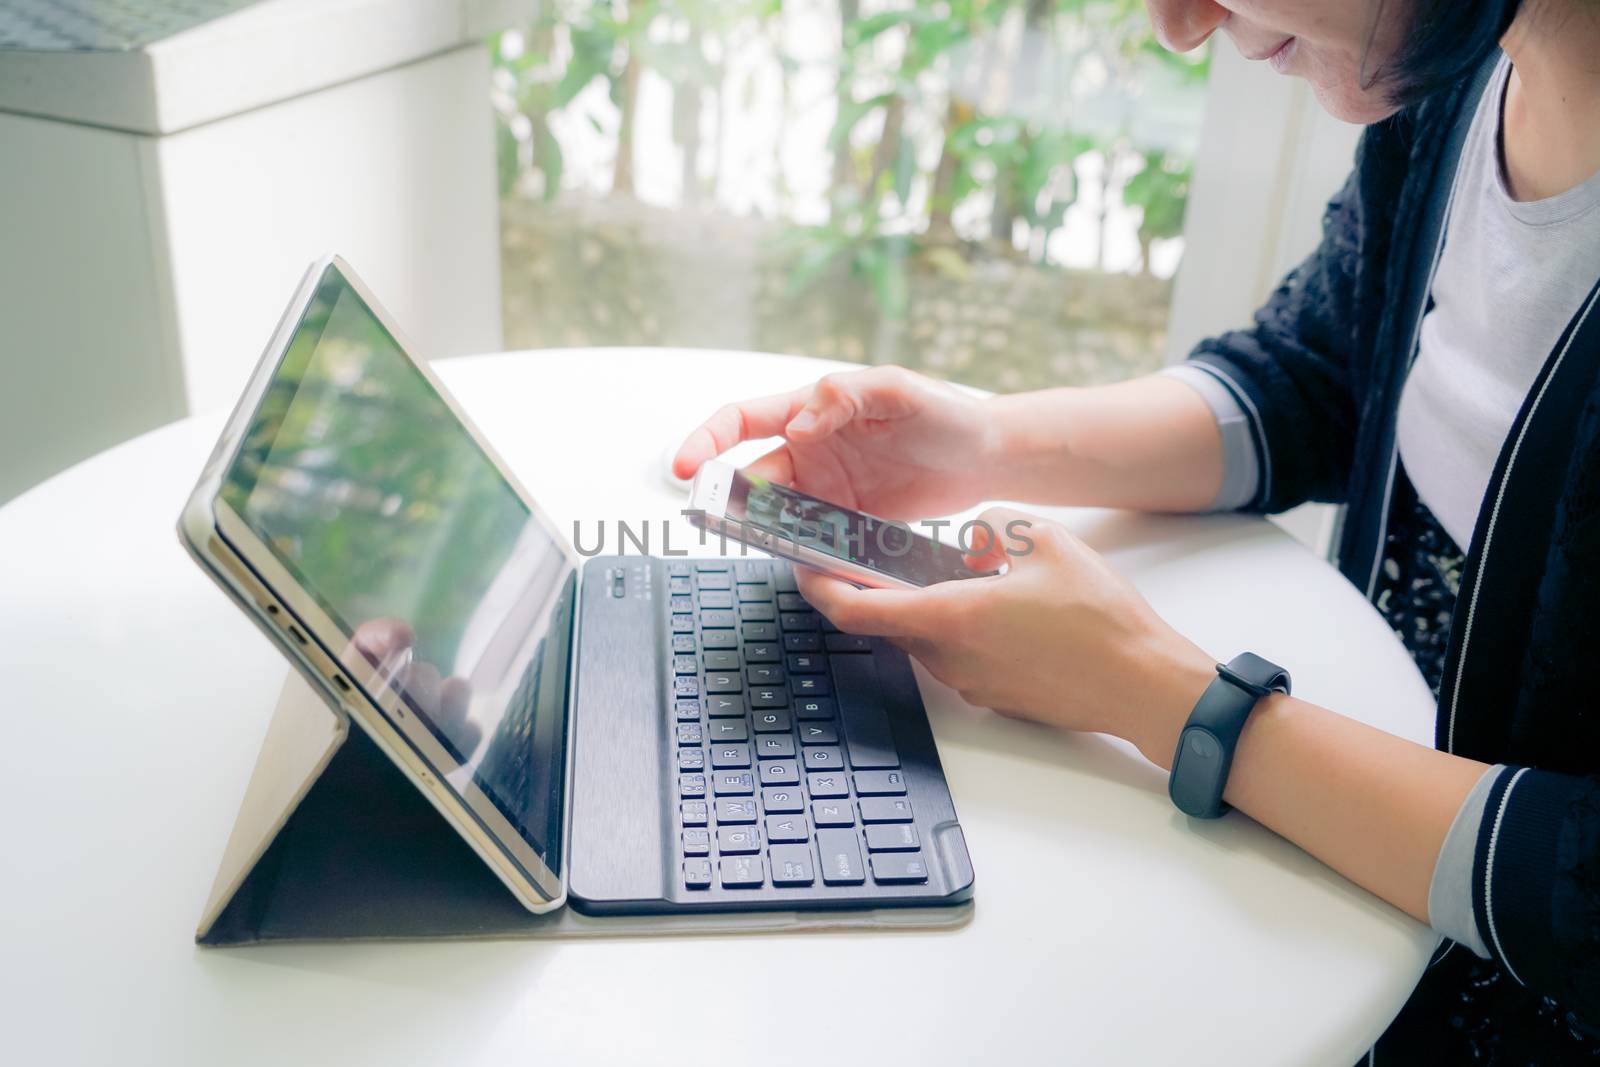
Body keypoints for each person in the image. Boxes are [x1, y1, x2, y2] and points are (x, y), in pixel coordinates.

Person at [674, 0, 1600, 1060]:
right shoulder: (1458, 70)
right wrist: (974, 443)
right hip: (1366, 907)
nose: (1178, 23)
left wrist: (1158, 694)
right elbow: (1313, 379)